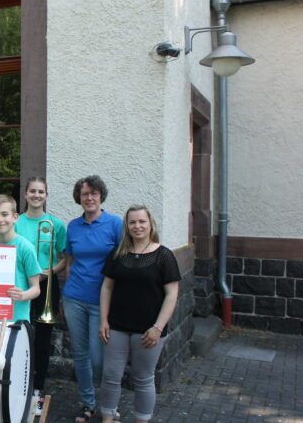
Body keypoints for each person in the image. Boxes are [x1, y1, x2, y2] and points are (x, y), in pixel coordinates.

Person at [98, 205, 180, 423]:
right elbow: (106, 287)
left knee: (143, 379)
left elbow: (172, 294)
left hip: (148, 330)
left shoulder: (164, 255)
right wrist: (104, 320)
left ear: (150, 223)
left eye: (142, 221)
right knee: (110, 377)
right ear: (127, 226)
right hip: (116, 326)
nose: (137, 226)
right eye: (132, 222)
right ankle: (107, 418)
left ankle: (141, 420)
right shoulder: (118, 253)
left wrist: (158, 327)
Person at [62, 175, 123, 423]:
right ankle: (88, 403)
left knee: (100, 358)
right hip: (74, 298)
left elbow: (122, 262)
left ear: (101, 196)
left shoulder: (115, 224)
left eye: (94, 193)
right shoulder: (73, 226)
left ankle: (108, 403)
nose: (89, 198)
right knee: (80, 353)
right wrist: (66, 292)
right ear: (80, 198)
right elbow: (69, 262)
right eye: (85, 194)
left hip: (102, 302)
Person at [15, 176, 67, 415]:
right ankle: (18, 383)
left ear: (46, 196)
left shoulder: (56, 225)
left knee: (43, 339)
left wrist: (48, 272)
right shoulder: (16, 223)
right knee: (19, 335)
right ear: (25, 194)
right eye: (32, 191)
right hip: (21, 284)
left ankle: (37, 389)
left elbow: (64, 259)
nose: (36, 195)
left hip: (47, 285)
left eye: (41, 192)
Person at [0, 194, 41, 321]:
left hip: (17, 319)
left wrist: (23, 295)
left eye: (4, 214)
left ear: (15, 217)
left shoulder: (26, 248)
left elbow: (36, 288)